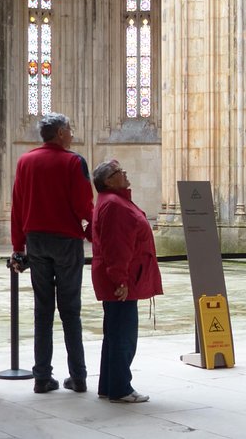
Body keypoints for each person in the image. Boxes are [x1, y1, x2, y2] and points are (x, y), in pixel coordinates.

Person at [10, 112, 93, 394]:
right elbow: (84, 206)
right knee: (71, 311)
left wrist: (17, 247)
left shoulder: (25, 161)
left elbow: (18, 207)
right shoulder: (73, 162)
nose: (71, 133)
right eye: (69, 129)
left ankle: (42, 377)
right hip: (66, 242)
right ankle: (78, 377)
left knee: (42, 311)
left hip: (36, 241)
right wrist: (93, 234)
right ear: (60, 133)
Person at [91, 160, 163, 403]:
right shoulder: (114, 204)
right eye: (119, 172)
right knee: (123, 335)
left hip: (122, 276)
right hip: (122, 280)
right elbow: (117, 246)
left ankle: (109, 385)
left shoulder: (114, 201)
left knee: (114, 333)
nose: (125, 173)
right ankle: (120, 388)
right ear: (109, 181)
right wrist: (120, 280)